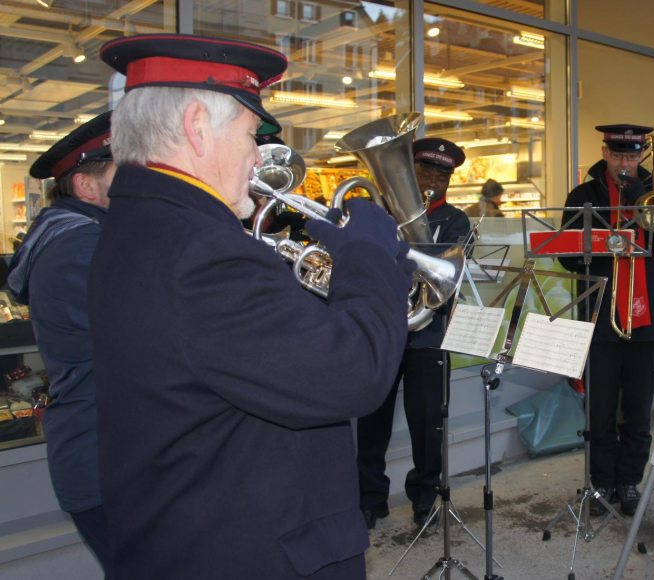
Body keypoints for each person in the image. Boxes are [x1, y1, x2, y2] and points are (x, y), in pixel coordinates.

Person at [89, 34, 415, 580]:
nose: (257, 156)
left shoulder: (142, 226)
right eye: (249, 135)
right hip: (251, 550)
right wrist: (370, 257)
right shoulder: (200, 250)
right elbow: (351, 375)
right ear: (196, 127)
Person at [6, 112, 115, 574]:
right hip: (107, 464)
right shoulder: (82, 249)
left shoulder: (81, 238)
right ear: (86, 187)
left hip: (108, 459)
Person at [559, 124, 654, 516]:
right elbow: (565, 255)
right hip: (600, 319)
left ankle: (629, 480)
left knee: (637, 410)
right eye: (618, 156)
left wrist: (642, 202)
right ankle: (601, 483)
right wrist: (603, 243)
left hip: (645, 322)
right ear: (605, 152)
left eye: (631, 156)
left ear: (642, 156)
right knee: (599, 412)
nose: (624, 164)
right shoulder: (583, 195)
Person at [357, 137, 472, 529]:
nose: (433, 181)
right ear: (412, 172)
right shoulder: (381, 212)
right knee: (372, 422)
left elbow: (444, 280)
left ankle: (425, 498)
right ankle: (370, 499)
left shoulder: (457, 221)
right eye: (426, 172)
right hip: (383, 331)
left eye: (442, 176)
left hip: (430, 335)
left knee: (428, 425)